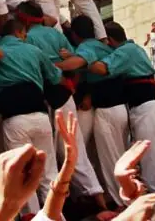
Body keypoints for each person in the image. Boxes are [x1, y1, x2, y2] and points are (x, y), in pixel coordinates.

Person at [19, 1, 107, 212]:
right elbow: (73, 60)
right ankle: (97, 200)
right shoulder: (56, 34)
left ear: (23, 19)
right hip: (65, 94)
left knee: (47, 154)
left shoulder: (27, 39)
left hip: (44, 97)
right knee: (73, 147)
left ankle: (53, 207)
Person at [90, 21, 155, 193]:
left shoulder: (126, 51)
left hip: (146, 113)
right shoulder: (136, 48)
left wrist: (84, 57)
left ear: (109, 40)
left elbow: (102, 68)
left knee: (153, 167)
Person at [0, 17, 66, 215]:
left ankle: (30, 216)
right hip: (40, 116)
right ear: (20, 32)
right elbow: (55, 77)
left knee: (21, 176)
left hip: (14, 120)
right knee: (49, 173)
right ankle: (57, 216)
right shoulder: (34, 51)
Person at [57, 14, 129, 206]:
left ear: (75, 34)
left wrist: (52, 65)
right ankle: (114, 198)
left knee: (109, 158)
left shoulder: (87, 48)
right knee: (112, 155)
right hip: (120, 107)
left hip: (107, 109)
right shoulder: (104, 47)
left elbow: (79, 63)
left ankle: (120, 202)